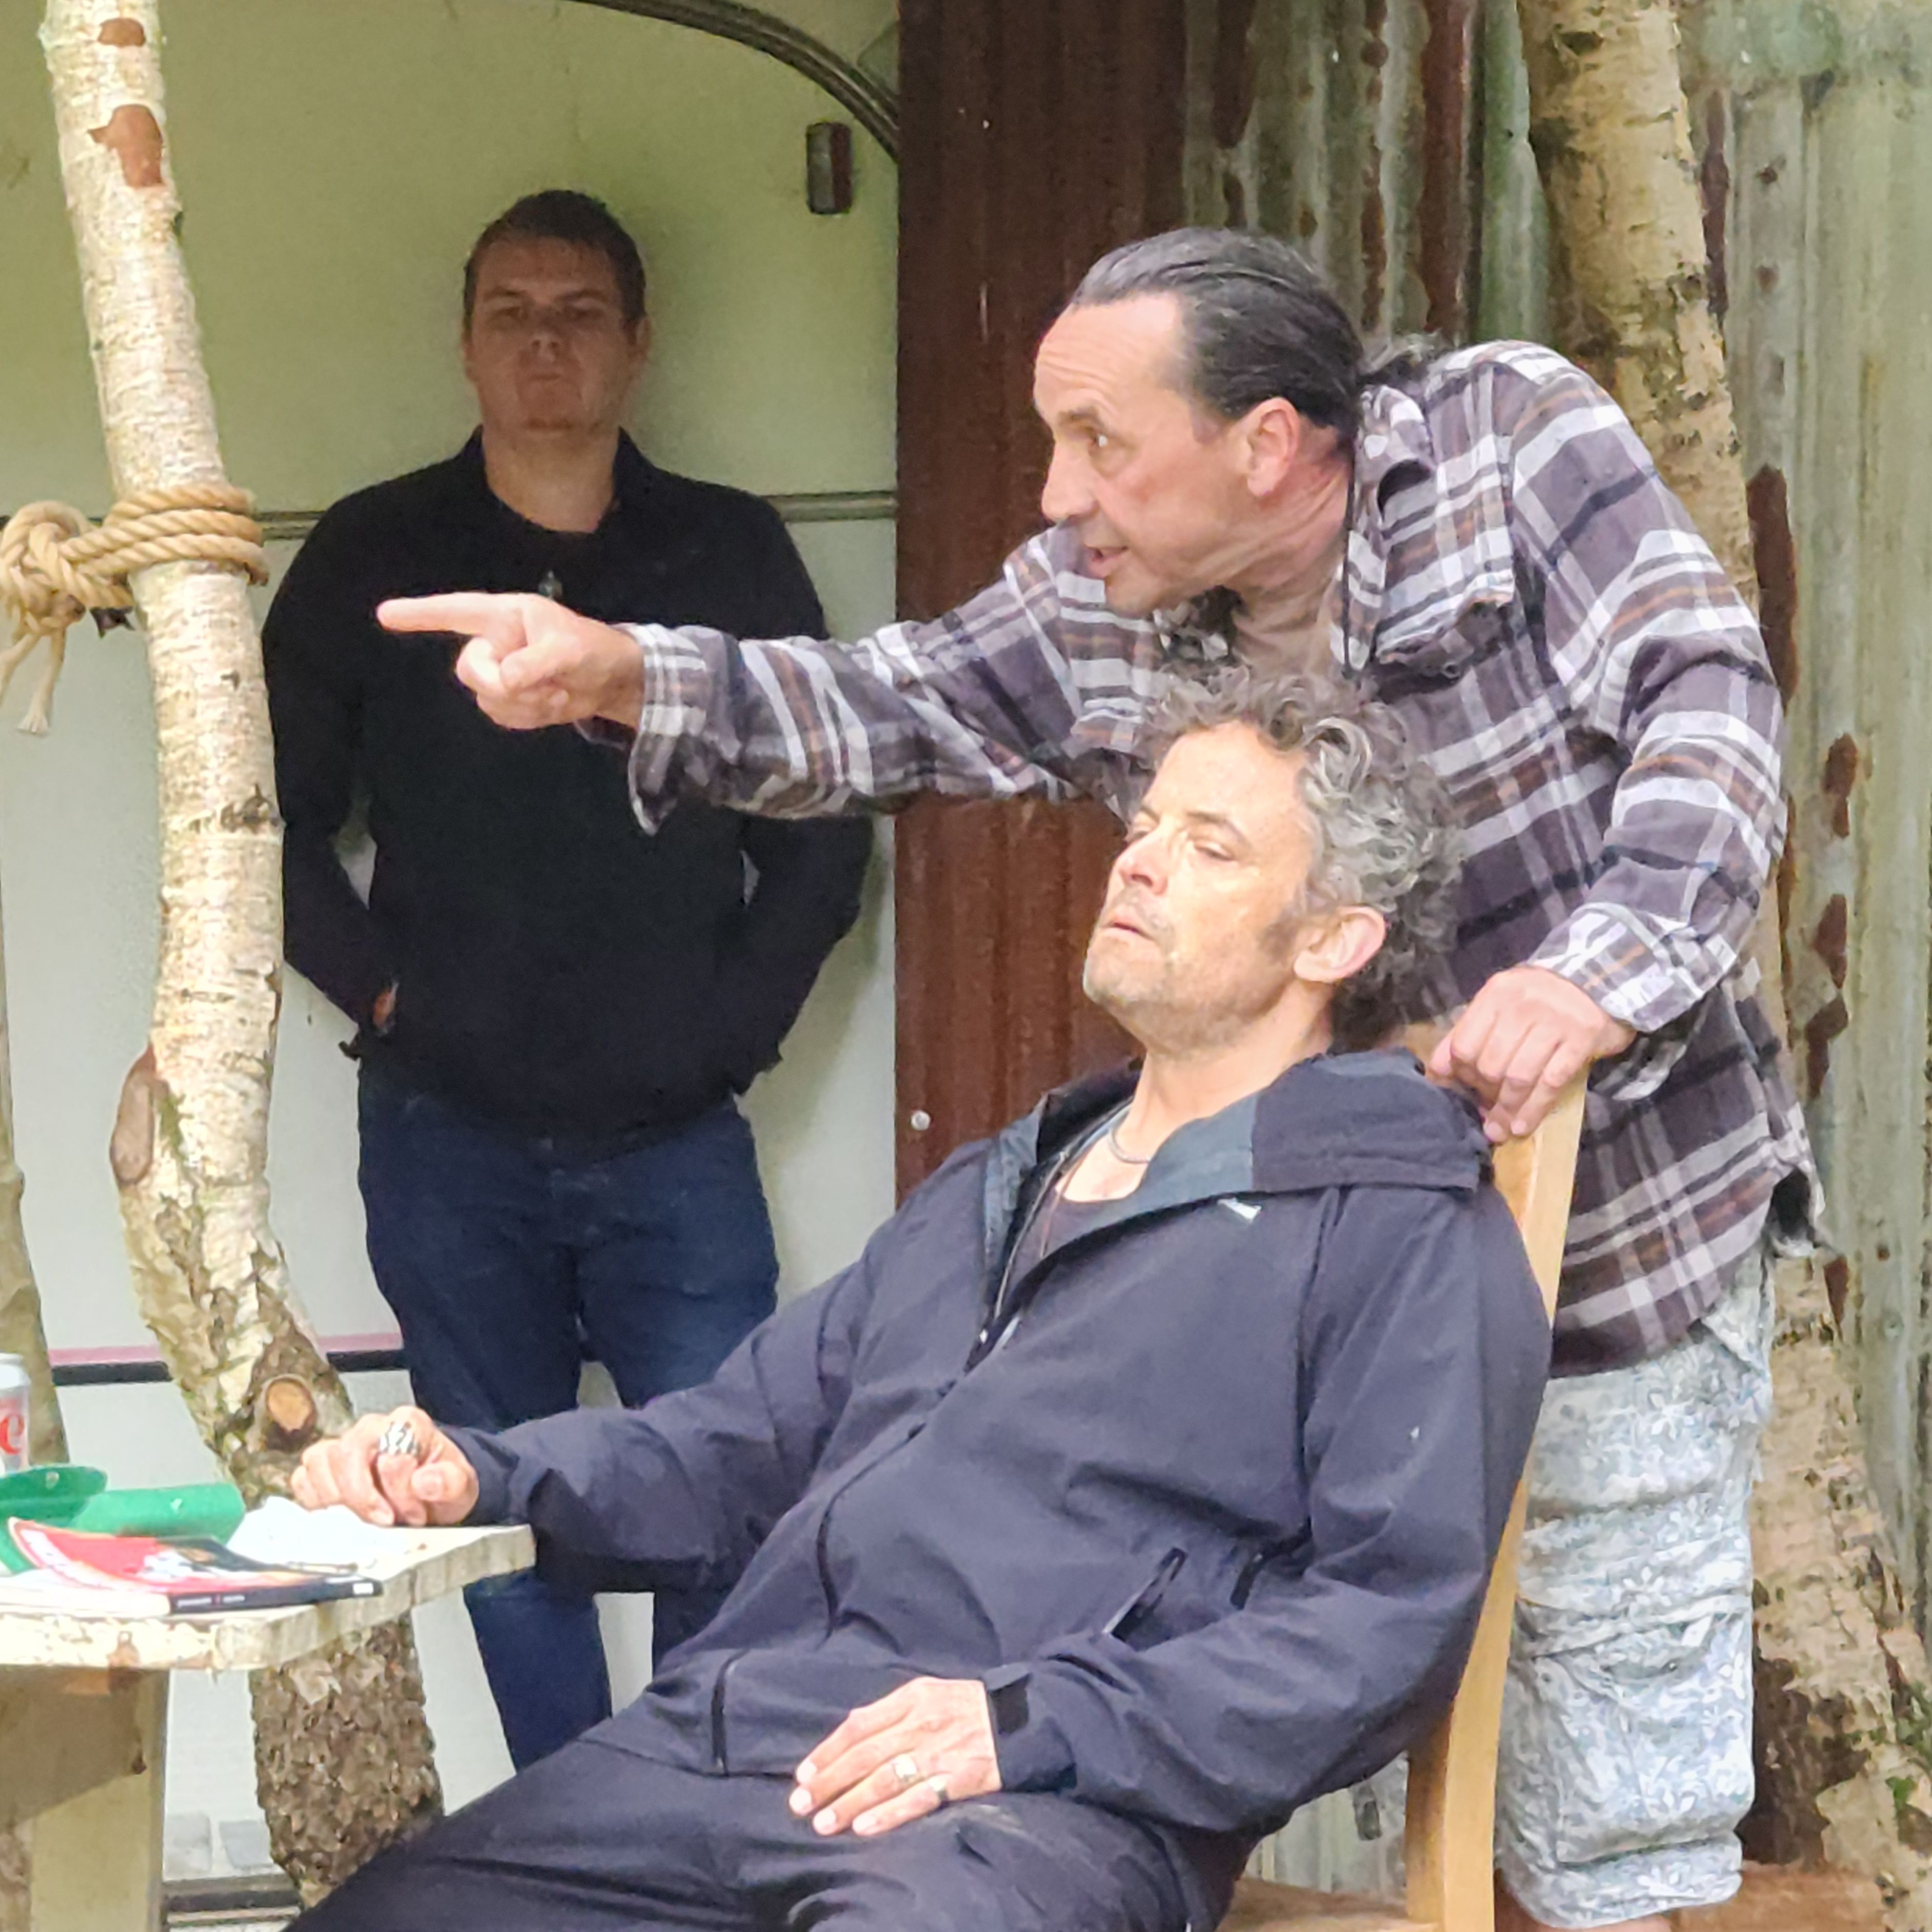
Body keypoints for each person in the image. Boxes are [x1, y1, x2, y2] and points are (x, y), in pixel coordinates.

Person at [381, 228, 1805, 1930]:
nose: (1057, 492)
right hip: (1257, 1230)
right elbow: (892, 701)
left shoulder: (1503, 439)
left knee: (1605, 1844)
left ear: (1263, 443)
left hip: (1618, 1234)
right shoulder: (1096, 617)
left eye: (1097, 442)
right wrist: (622, 669)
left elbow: (1703, 705)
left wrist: (1590, 975)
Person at [288, 669, 1550, 1932]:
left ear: (1335, 939)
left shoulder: (1397, 1224)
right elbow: (736, 1445)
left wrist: (1031, 1723)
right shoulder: (1001, 1185)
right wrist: (484, 1474)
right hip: (731, 1745)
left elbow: (1382, 1623)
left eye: (1209, 847)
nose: (1141, 866)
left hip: (1032, 1808)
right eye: (1146, 826)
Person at [261, 189, 872, 1770]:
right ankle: (565, 1839)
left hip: (676, 1138)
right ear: (466, 344)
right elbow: (259, 821)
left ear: (639, 344)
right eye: (514, 313)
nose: (547, 342)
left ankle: (686, 1828)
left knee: (727, 1496)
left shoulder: (723, 547)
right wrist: (388, 1001)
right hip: (444, 1129)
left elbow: (821, 819)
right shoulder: (377, 555)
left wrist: (729, 1032)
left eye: (581, 312)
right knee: (480, 1511)